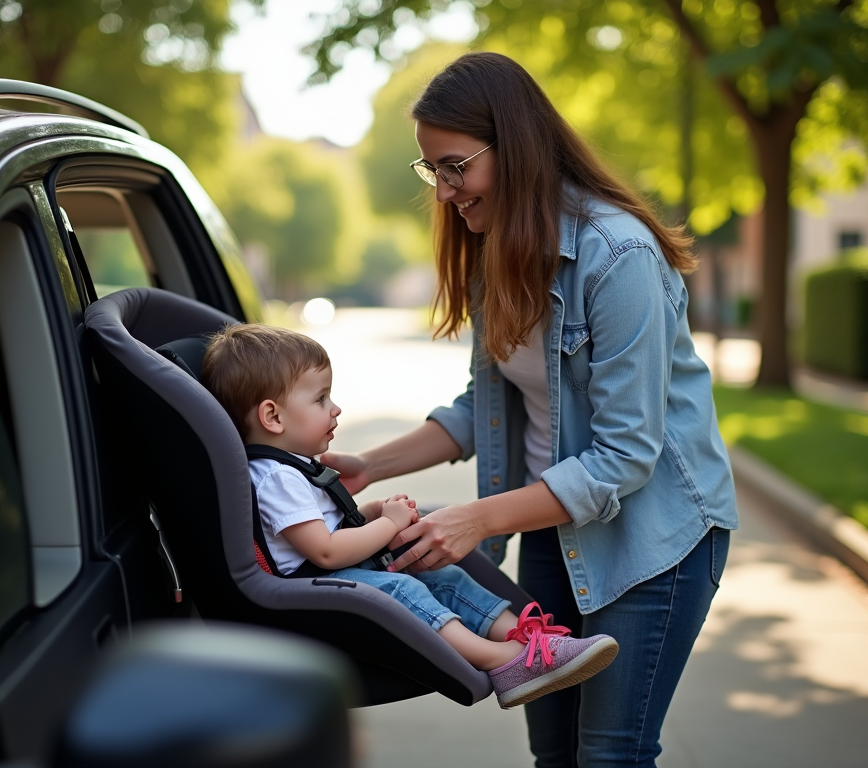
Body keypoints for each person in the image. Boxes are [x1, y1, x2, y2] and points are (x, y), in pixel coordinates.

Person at [319, 52, 739, 767]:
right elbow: (484, 406)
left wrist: (474, 520)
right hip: (555, 529)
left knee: (609, 754)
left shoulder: (618, 256)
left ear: (513, 149)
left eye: (457, 167)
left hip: (653, 540)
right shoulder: (498, 249)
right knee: (553, 755)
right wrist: (370, 463)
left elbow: (626, 454)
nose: (447, 192)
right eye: (434, 172)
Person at [200, 322, 620, 709]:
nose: (336, 409)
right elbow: (325, 552)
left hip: (329, 569)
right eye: (320, 398)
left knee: (438, 572)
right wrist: (388, 525)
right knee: (403, 590)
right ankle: (504, 659)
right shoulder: (276, 477)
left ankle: (527, 641)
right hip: (313, 583)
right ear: (272, 416)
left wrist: (372, 512)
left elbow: (321, 526)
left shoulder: (291, 467)